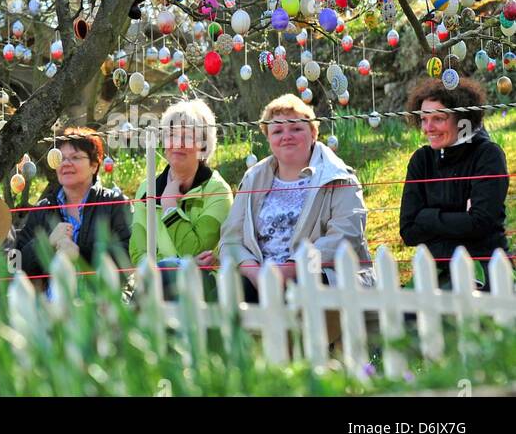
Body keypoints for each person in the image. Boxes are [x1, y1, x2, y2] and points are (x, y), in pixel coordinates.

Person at [207, 94, 372, 296]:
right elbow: (231, 240)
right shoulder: (253, 179)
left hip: (320, 277)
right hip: (261, 278)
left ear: (313, 133)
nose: (286, 136)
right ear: (268, 138)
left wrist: (291, 269)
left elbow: (346, 235)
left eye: (296, 128)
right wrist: (255, 274)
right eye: (277, 131)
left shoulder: (338, 177)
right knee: (224, 292)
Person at [399, 75, 509, 289]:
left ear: (462, 119)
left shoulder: (487, 156)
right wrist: (461, 218)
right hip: (434, 272)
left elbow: (481, 224)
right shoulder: (421, 160)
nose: (427, 128)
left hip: (486, 271)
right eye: (423, 119)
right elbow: (408, 231)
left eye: (438, 118)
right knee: (405, 318)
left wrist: (426, 216)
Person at [130, 100, 233, 289]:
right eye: (171, 135)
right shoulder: (147, 189)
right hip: (155, 286)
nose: (177, 143)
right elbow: (138, 253)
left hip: (204, 289)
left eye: (187, 137)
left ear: (203, 146)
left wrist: (170, 208)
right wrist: (180, 266)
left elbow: (198, 250)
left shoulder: (218, 190)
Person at [14, 127, 131, 281]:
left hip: (100, 301)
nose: (66, 164)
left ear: (94, 165)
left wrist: (79, 255)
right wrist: (46, 243)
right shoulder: (42, 209)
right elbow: (16, 264)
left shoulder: (115, 204)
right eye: (61, 158)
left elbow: (128, 258)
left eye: (75, 157)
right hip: (49, 304)